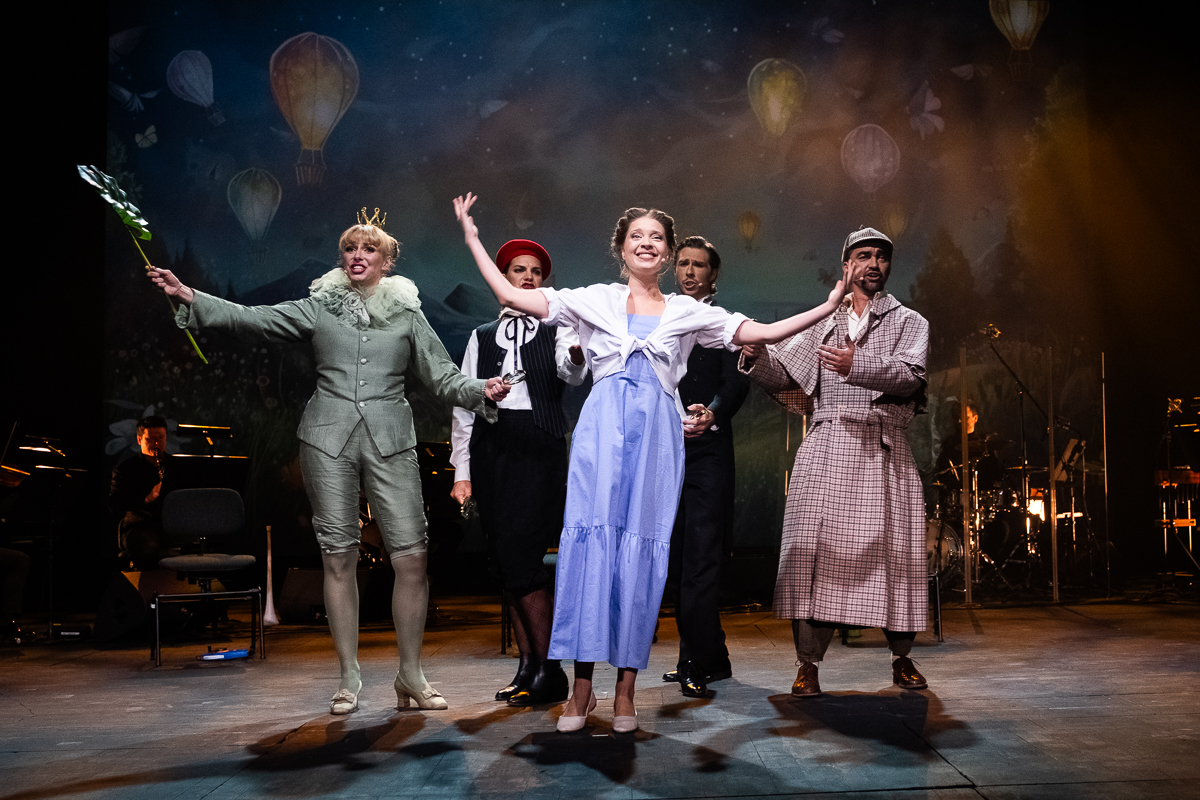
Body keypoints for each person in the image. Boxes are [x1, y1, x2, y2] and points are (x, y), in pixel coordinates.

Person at [454, 192, 845, 732]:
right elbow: (511, 295)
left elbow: (757, 333)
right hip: (601, 433)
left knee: (641, 554)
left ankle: (625, 692)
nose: (646, 243)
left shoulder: (687, 311)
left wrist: (827, 306)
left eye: (656, 237)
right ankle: (581, 691)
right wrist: (472, 236)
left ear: (666, 253)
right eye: (636, 235)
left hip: (657, 436)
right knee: (591, 549)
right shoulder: (595, 299)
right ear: (622, 248)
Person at [148, 211, 510, 715]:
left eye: (368, 249)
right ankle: (348, 676)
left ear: (386, 262)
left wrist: (481, 389)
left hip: (390, 440)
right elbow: (255, 318)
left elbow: (443, 377)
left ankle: (411, 675)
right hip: (326, 439)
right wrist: (190, 296)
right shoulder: (320, 306)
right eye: (350, 248)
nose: (357, 255)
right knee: (338, 556)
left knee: (412, 557)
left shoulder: (407, 313)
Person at [740, 226, 931, 697]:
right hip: (828, 445)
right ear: (846, 265)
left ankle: (902, 657)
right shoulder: (823, 320)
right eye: (863, 255)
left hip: (881, 447)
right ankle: (808, 664)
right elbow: (786, 374)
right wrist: (756, 357)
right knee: (814, 552)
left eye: (881, 256)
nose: (873, 264)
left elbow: (910, 376)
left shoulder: (910, 321)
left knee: (894, 554)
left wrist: (855, 365)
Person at [449, 238, 588, 707]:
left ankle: (551, 669)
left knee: (523, 557)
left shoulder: (557, 325)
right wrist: (462, 471)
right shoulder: (482, 335)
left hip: (537, 445)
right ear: (503, 277)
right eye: (518, 270)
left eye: (535, 272)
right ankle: (529, 666)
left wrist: (575, 355)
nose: (528, 277)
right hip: (493, 445)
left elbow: (571, 373)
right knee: (503, 561)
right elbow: (464, 403)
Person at [661, 237, 748, 698]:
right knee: (677, 561)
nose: (690, 272)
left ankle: (695, 660)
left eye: (699, 265)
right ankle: (710, 654)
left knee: (700, 559)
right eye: (683, 264)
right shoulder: (662, 319)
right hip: (665, 451)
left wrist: (711, 411)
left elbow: (736, 383)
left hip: (707, 451)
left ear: (713, 275)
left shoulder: (726, 323)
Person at [109, 416, 172, 569]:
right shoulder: (125, 469)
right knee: (148, 546)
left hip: (170, 526)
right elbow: (115, 504)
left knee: (199, 541)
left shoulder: (175, 465)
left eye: (161, 438)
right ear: (139, 440)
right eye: (150, 439)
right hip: (138, 526)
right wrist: (147, 498)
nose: (156, 443)